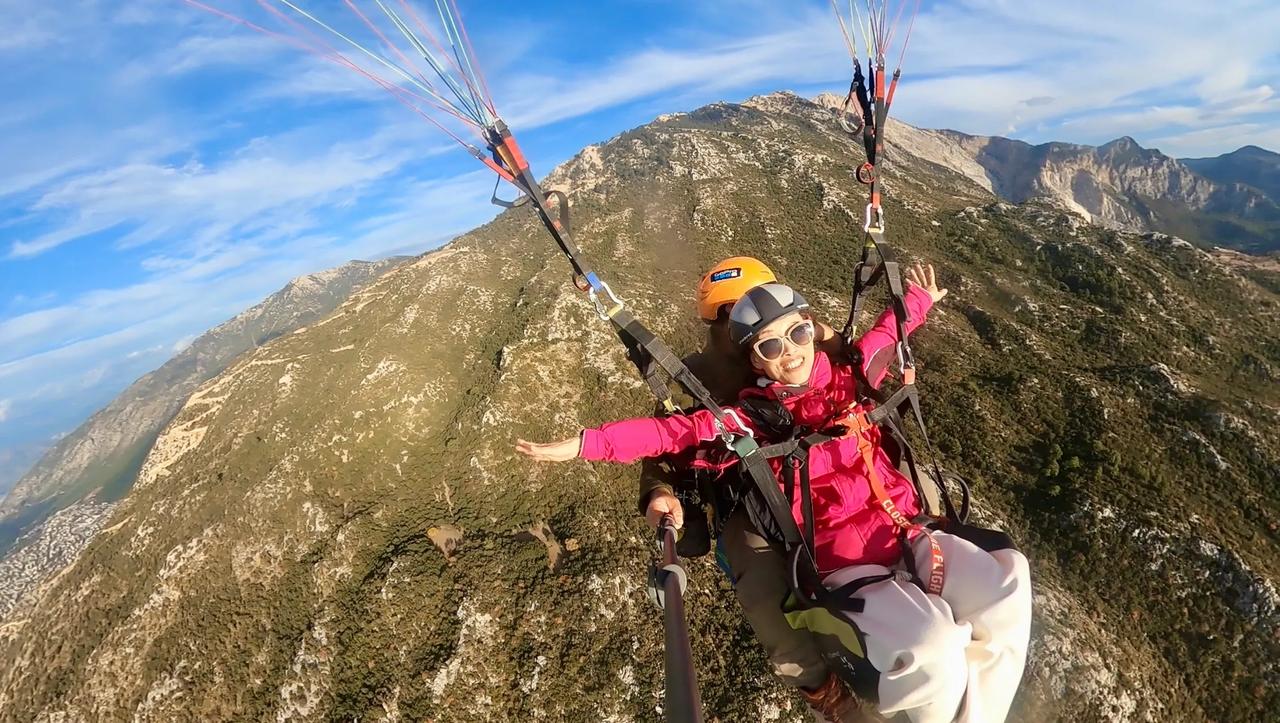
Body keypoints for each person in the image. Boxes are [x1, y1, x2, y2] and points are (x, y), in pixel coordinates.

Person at [517, 270, 1032, 723]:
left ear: (807, 326)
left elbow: (882, 335)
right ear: (747, 351)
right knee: (930, 645)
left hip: (903, 527)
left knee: (1007, 576)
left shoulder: (845, 369)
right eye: (769, 345)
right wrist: (587, 444)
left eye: (797, 332)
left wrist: (917, 300)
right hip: (835, 551)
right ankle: (824, 688)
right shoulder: (737, 408)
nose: (789, 350)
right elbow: (670, 434)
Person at [630, 257, 864, 722]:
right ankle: (821, 689)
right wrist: (659, 490)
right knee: (759, 579)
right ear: (723, 322)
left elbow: (852, 356)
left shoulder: (800, 341)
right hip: (751, 495)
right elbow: (666, 438)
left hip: (831, 467)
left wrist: (822, 334)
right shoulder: (695, 378)